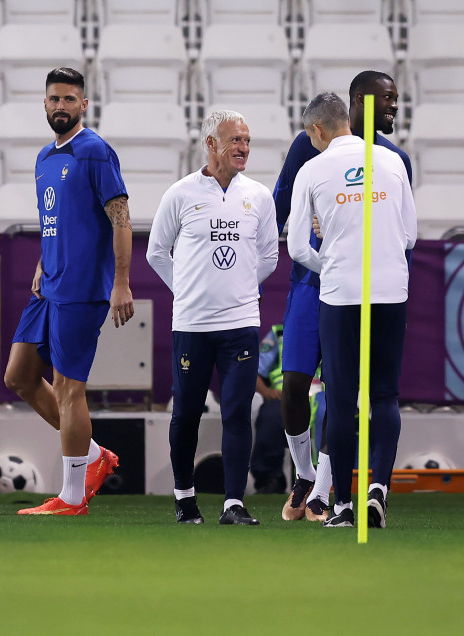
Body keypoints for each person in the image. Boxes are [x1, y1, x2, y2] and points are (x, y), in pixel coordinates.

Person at [272, 71, 411, 523]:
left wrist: (331, 253)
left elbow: (298, 244)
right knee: (302, 385)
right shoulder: (308, 150)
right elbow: (410, 236)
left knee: (343, 394)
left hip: (340, 288)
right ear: (357, 103)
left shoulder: (393, 158)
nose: (393, 106)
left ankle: (335, 498)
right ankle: (323, 480)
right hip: (341, 288)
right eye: (386, 98)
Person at [4, 67, 134, 516]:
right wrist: (42, 260)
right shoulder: (44, 158)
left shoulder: (95, 151)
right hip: (50, 285)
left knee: (67, 388)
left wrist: (120, 282)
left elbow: (120, 218)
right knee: (19, 376)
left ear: (84, 105)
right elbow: (54, 220)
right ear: (44, 104)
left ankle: (73, 496)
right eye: (54, 99)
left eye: (69, 99)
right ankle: (94, 454)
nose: (61, 106)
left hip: (83, 288)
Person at [147, 109, 279, 525]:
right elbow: (155, 253)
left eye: (246, 141)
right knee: (186, 412)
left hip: (240, 324)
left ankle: (233, 504)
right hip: (192, 325)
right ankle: (185, 500)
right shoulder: (180, 194)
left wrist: (239, 289)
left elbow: (270, 256)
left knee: (238, 412)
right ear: (210, 144)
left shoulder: (258, 195)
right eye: (234, 141)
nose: (243, 148)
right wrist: (188, 291)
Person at [251, 324, 288, 494]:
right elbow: (256, 372)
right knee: (270, 417)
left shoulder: (336, 328)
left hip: (325, 397)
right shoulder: (279, 333)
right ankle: (269, 478)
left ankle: (329, 478)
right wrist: (266, 391)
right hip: (285, 398)